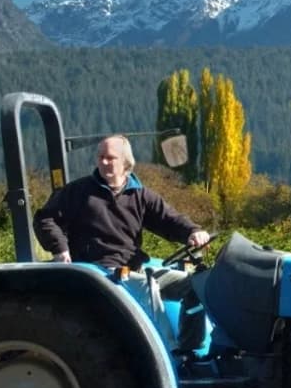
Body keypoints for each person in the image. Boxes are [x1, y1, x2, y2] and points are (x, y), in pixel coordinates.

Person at [33, 134, 211, 350]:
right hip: (99, 272)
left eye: (110, 157)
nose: (103, 162)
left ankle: (191, 348)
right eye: (100, 157)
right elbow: (45, 218)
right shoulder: (79, 192)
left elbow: (169, 220)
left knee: (197, 285)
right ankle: (170, 355)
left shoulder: (140, 195)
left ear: (126, 162)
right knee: (146, 286)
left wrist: (192, 232)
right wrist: (60, 248)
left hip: (133, 268)